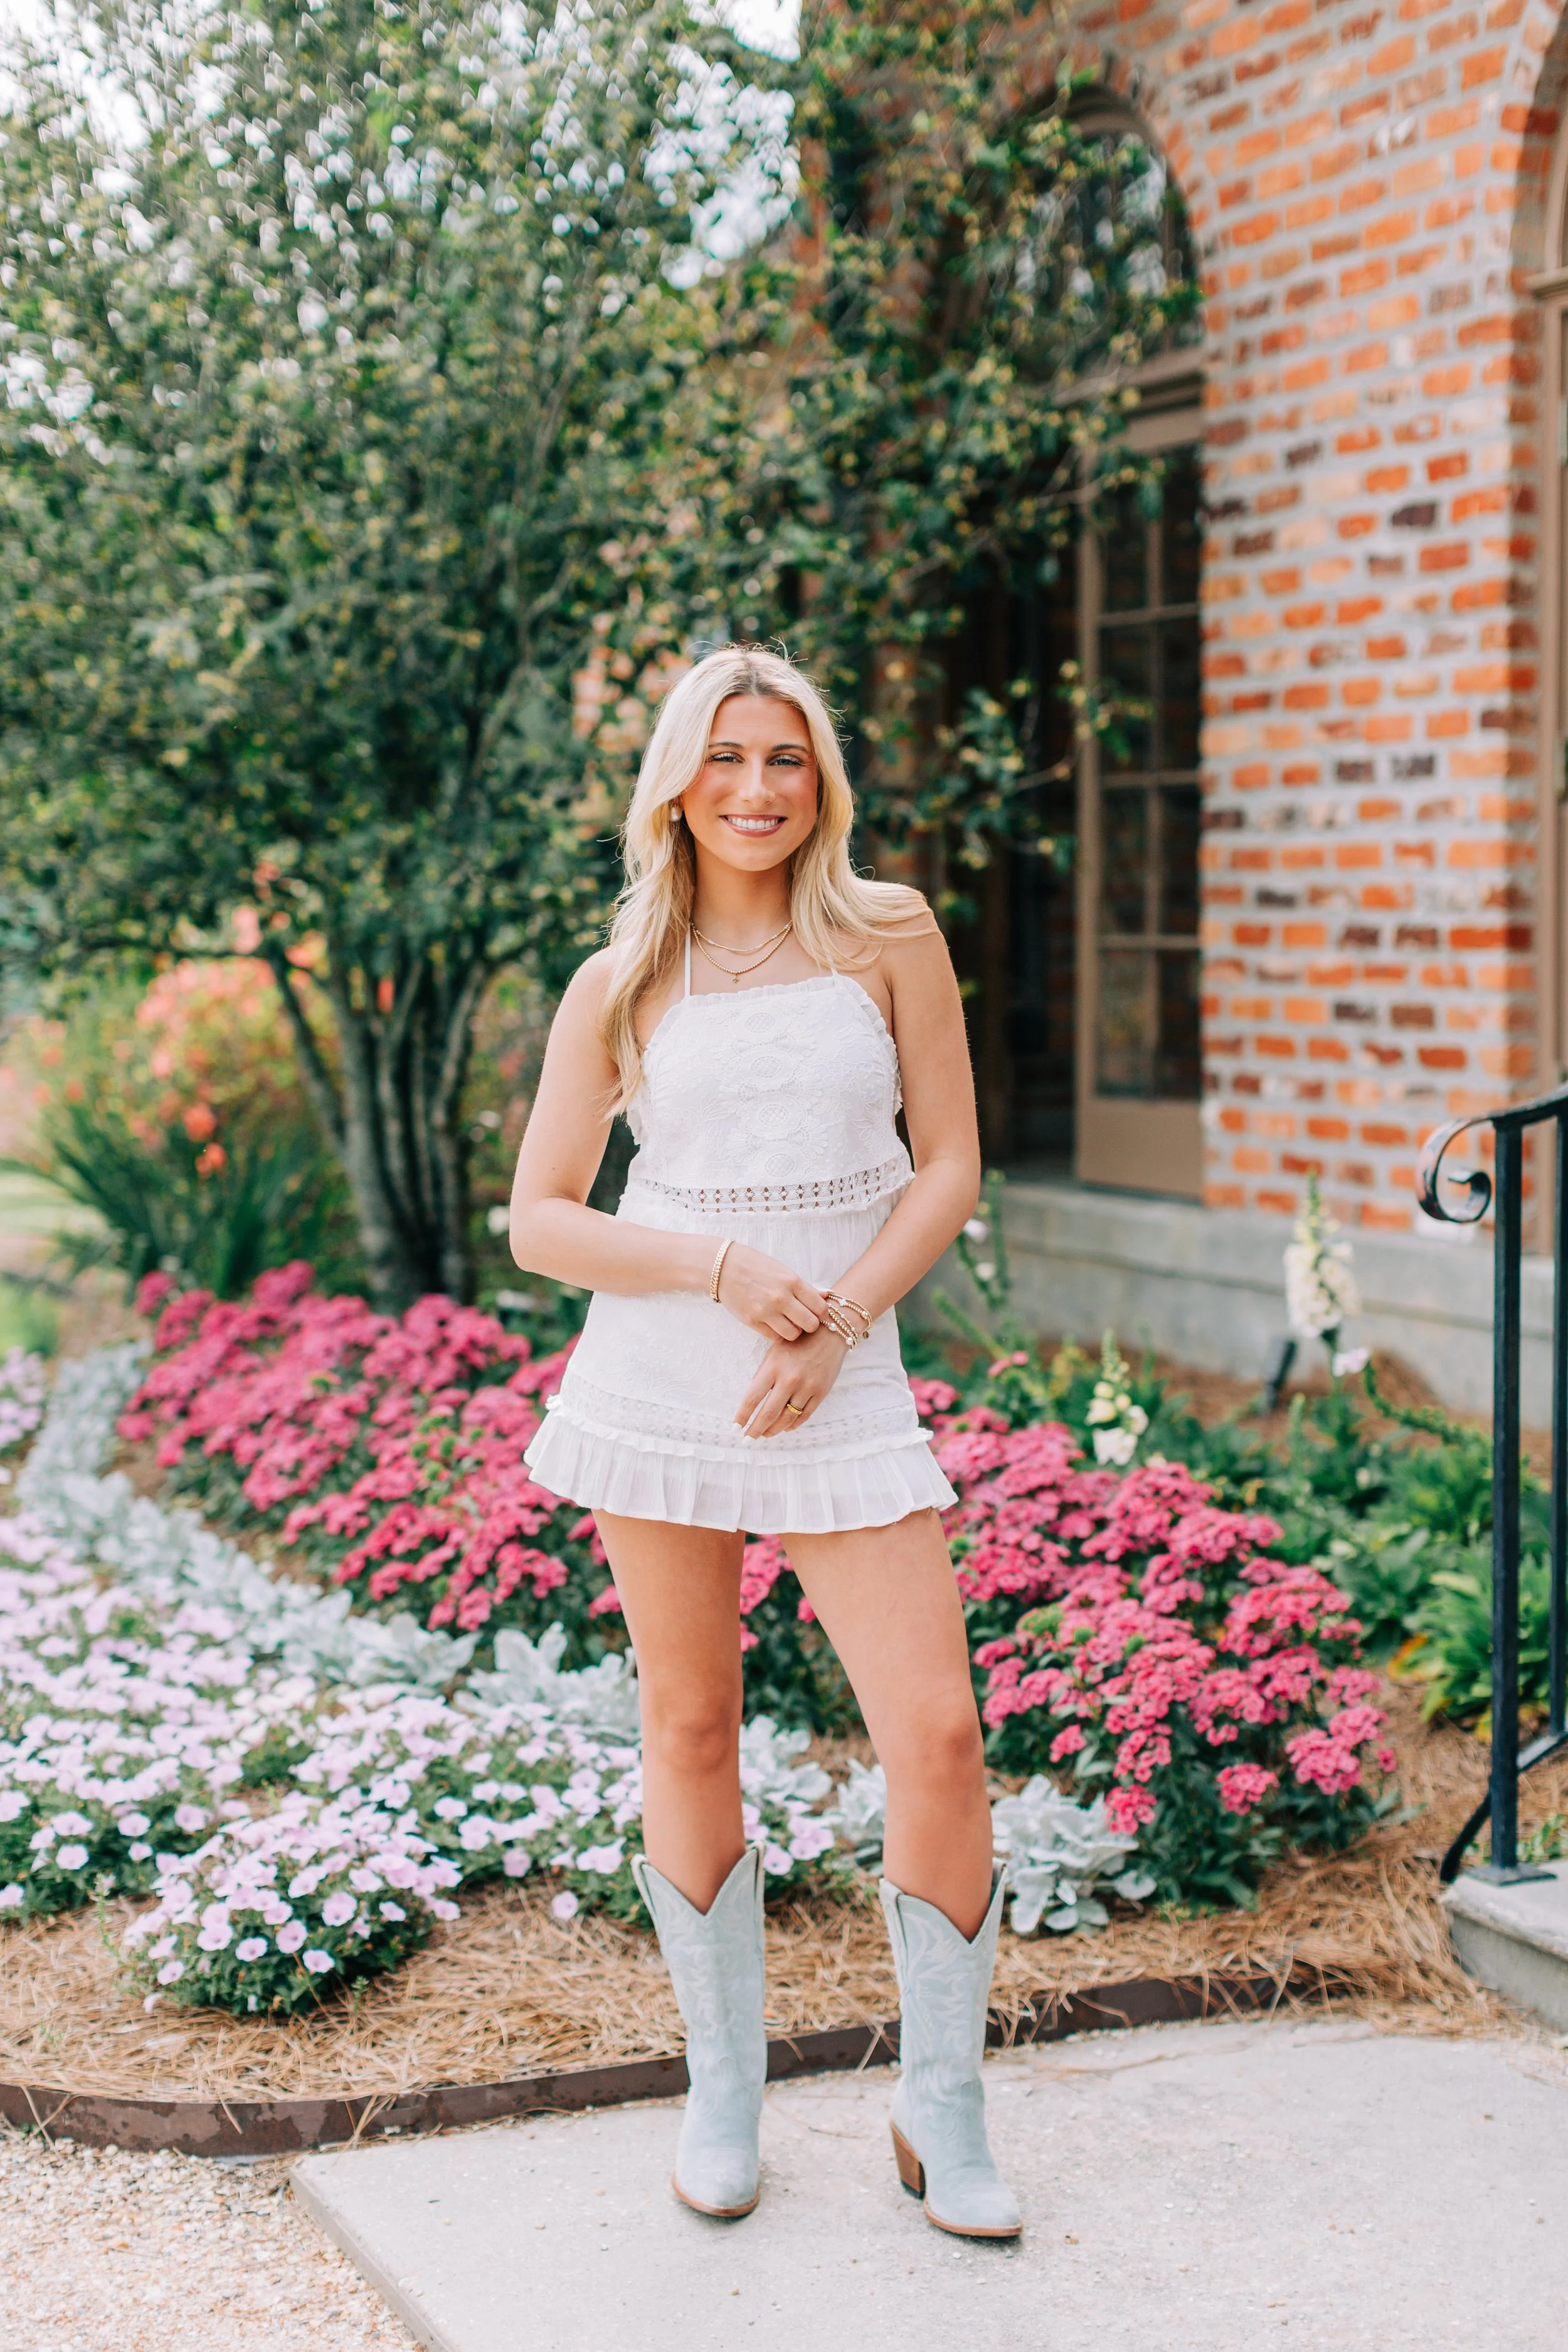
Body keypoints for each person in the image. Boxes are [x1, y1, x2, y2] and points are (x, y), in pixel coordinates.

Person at [508, 644, 1020, 2240]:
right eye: (723, 757)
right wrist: (721, 1269)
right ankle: (721, 2091)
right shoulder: (619, 979)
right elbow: (539, 1220)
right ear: (675, 782)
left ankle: (940, 2109)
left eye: (784, 757)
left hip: (840, 1376)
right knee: (689, 1728)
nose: (754, 787)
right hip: (663, 1381)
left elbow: (947, 1165)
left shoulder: (887, 933)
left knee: (935, 1735)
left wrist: (838, 1321)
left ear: (821, 780)